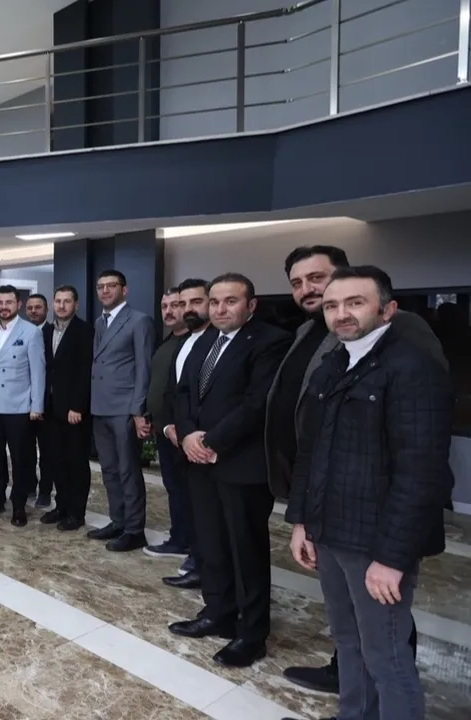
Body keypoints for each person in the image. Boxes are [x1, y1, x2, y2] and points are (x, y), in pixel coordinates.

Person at [267, 246, 443, 694]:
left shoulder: (409, 358)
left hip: (375, 531)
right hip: (329, 522)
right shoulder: (329, 358)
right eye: (332, 305)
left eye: (354, 302)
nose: (340, 313)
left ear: (387, 309)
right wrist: (301, 520)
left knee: (385, 652)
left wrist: (393, 556)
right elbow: (313, 448)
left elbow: (419, 468)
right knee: (348, 639)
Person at [165, 273, 290, 669]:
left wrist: (211, 441)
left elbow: (257, 404)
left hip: (240, 464)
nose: (220, 309)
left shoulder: (270, 341)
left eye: (230, 301)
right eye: (214, 301)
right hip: (199, 461)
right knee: (211, 543)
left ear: (250, 305)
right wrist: (188, 435)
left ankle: (251, 634)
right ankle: (217, 612)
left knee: (245, 550)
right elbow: (183, 393)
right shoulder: (205, 340)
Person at [88, 269, 155, 552]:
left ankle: (135, 529)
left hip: (125, 409)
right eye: (100, 286)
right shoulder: (99, 322)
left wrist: (139, 411)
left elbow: (144, 369)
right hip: (101, 407)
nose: (105, 291)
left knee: (128, 471)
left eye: (111, 286)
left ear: (124, 290)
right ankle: (118, 521)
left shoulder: (139, 321)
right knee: (109, 470)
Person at [155, 278, 212, 588]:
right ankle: (194, 554)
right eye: (180, 303)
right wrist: (168, 426)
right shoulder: (179, 343)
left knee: (200, 503)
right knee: (180, 492)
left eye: (193, 302)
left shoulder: (212, 341)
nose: (184, 309)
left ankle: (201, 559)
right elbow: (174, 392)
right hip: (174, 433)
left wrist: (188, 431)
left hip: (200, 439)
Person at [0, 285, 46, 525]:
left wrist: (37, 406)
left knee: (21, 460)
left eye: (9, 302)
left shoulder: (31, 332)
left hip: (18, 406)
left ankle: (19, 505)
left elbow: (38, 372)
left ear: (18, 304)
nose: (4, 307)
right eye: (0, 303)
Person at [143, 287, 191, 560]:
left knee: (186, 489)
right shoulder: (166, 342)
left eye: (176, 305)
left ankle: (188, 542)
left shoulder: (195, 342)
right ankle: (180, 537)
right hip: (163, 428)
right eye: (165, 307)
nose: (169, 311)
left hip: (183, 431)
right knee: (174, 486)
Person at [40, 286, 93, 531]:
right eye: (58, 301)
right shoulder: (46, 331)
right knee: (55, 460)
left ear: (76, 304)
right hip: (50, 407)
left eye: (67, 301)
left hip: (73, 410)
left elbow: (85, 371)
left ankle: (76, 512)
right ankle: (61, 506)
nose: (62, 306)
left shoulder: (84, 331)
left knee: (76, 462)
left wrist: (78, 406)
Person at [23, 293, 52, 509]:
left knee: (47, 451)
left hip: (48, 403)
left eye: (38, 307)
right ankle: (29, 485)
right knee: (25, 449)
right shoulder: (22, 332)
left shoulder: (52, 333)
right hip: (23, 401)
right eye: (30, 308)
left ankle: (45, 491)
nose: (34, 311)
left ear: (46, 309)